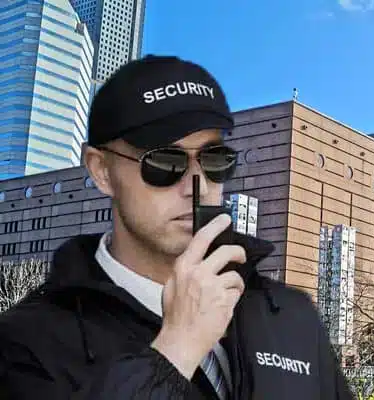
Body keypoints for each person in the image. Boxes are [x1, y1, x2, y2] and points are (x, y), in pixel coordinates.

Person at [0, 55, 354, 399]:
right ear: (102, 170)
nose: (196, 185)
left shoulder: (291, 315)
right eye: (164, 163)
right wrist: (177, 347)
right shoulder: (26, 342)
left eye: (214, 160)